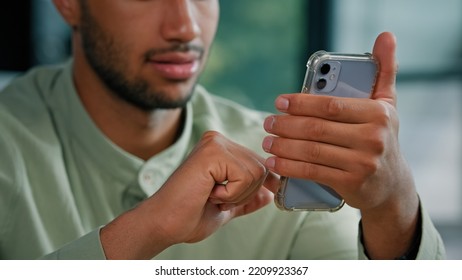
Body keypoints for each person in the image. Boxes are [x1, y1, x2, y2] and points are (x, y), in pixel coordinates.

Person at [0, 0, 445, 260]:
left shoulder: (285, 162)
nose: (185, 27)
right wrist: (141, 234)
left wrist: (393, 204)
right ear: (68, 4)